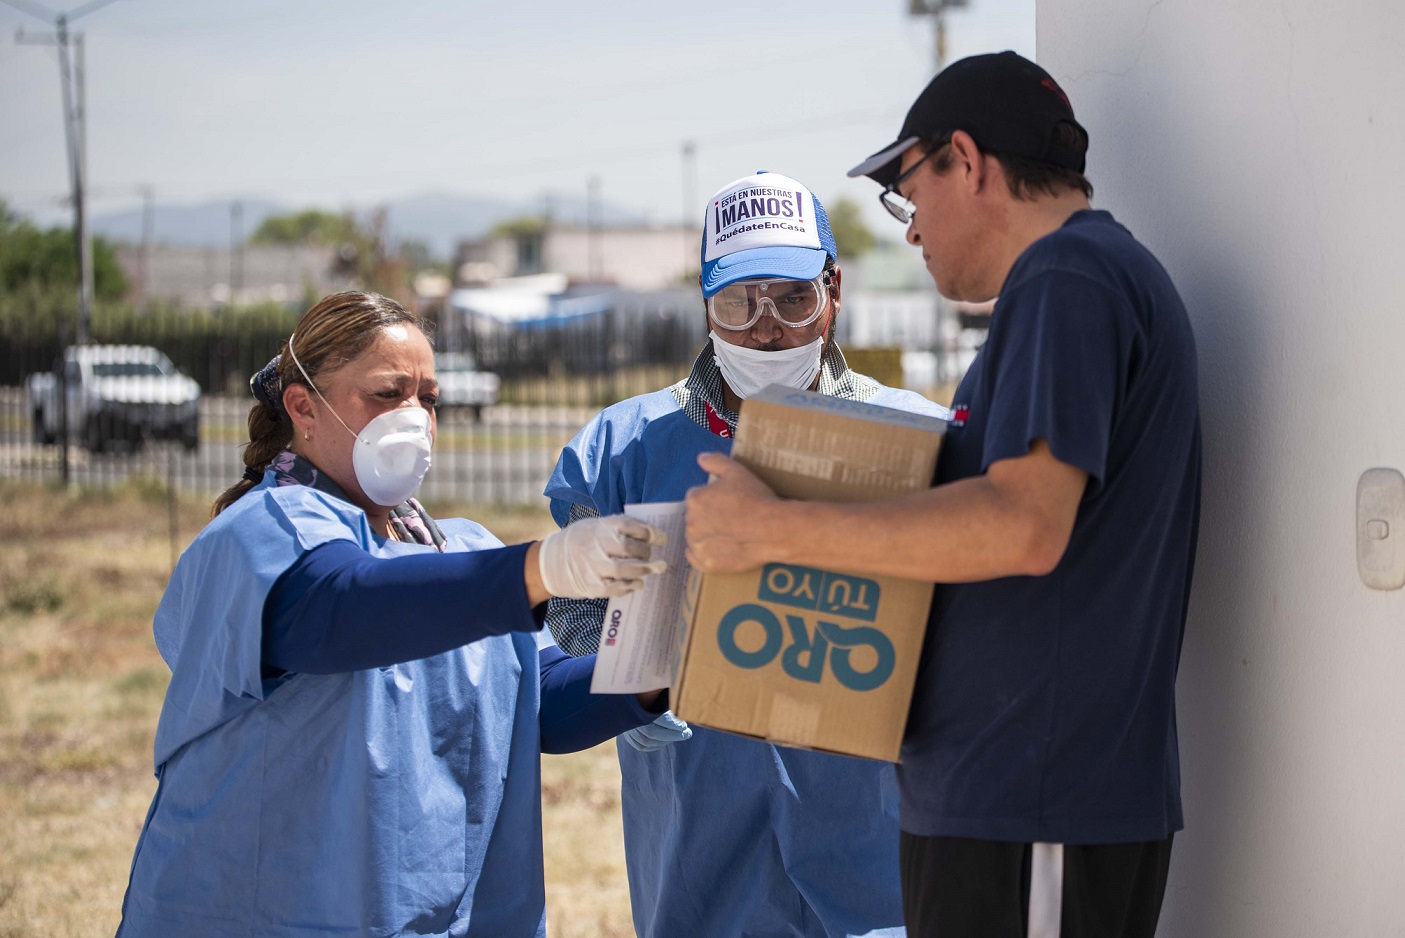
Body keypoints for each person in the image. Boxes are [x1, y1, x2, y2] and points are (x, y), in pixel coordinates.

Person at [685, 53, 1201, 938]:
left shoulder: (1066, 278)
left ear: (965, 161)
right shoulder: (1083, 279)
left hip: (1032, 800)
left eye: (908, 190)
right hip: (1015, 799)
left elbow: (1020, 526)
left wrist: (775, 531)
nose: (912, 228)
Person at [116, 291, 671, 938]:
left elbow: (538, 703)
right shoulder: (260, 536)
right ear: (302, 407)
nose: (413, 417)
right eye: (386, 394)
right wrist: (537, 570)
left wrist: (657, 664)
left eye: (427, 399)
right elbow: (342, 606)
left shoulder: (459, 550)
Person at [544, 171, 945, 938]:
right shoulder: (621, 447)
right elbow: (569, 623)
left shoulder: (917, 439)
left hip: (871, 833)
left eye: (792, 299)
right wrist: (627, 682)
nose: (765, 329)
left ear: (833, 289)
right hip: (697, 828)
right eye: (737, 302)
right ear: (704, 302)